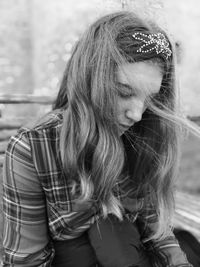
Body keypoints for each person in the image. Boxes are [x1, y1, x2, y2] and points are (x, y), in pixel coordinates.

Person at [2, 10, 199, 267]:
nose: (137, 114)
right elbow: (26, 261)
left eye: (149, 98)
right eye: (123, 92)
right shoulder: (34, 148)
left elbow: (156, 228)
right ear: (89, 80)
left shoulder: (142, 135)